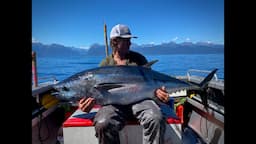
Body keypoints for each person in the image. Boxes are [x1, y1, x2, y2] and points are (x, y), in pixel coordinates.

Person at [78, 24, 170, 144]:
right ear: (115, 42)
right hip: (114, 104)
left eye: (130, 40)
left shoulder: (139, 59)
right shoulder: (105, 64)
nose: (130, 44)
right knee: (102, 123)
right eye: (126, 41)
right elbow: (97, 93)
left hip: (141, 101)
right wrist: (87, 104)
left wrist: (158, 92)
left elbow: (151, 82)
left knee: (156, 117)